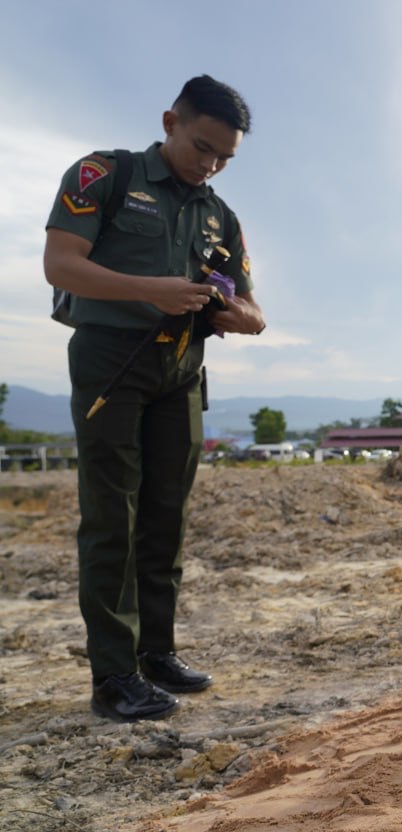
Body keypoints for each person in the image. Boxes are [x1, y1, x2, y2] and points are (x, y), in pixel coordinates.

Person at [44, 75, 265, 723]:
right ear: (170, 120)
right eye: (202, 147)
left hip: (182, 370)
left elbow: (255, 313)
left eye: (225, 157)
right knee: (113, 513)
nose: (211, 164)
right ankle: (113, 673)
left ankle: (157, 652)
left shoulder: (220, 215)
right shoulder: (102, 175)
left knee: (165, 516)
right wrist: (155, 289)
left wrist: (228, 311)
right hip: (111, 362)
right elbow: (61, 263)